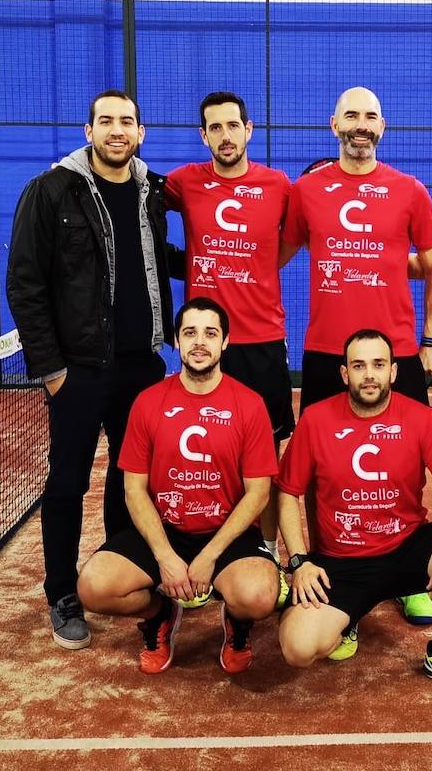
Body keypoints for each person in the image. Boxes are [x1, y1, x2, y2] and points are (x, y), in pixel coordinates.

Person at [6, 89, 181, 650]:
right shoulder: (51, 190)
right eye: (105, 121)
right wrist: (52, 370)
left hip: (141, 367)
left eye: (126, 121)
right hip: (77, 372)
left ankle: (115, 572)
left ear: (140, 132)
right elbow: (25, 284)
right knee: (66, 483)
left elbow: (156, 256)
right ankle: (62, 592)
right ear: (89, 131)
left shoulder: (152, 191)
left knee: (129, 481)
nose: (116, 130)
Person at [279, 86, 432, 627]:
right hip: (327, 352)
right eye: (351, 114)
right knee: (313, 472)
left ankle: (406, 574)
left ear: (383, 126)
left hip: (395, 353)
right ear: (333, 125)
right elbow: (269, 253)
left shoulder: (410, 190)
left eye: (370, 116)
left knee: (405, 463)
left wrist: (430, 339)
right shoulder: (308, 190)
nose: (361, 124)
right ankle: (325, 571)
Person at [275, 329, 432, 703]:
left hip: (406, 550)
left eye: (378, 365)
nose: (369, 374)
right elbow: (287, 494)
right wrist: (299, 560)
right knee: (297, 649)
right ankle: (347, 619)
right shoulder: (316, 420)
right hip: (342, 564)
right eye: (359, 365)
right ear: (344, 374)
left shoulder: (418, 418)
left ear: (393, 372)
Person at [76, 297, 280, 673]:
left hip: (226, 532)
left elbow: (259, 494)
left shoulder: (249, 405)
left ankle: (238, 621)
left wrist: (210, 555)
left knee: (259, 596)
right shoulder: (148, 402)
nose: (199, 342)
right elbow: (133, 490)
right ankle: (159, 615)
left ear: (225, 342)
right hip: (166, 530)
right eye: (190, 333)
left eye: (210, 333)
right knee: (93, 587)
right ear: (177, 340)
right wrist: (166, 556)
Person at [165, 92, 294, 569]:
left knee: (267, 452)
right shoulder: (183, 183)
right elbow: (130, 192)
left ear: (249, 130)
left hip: (262, 340)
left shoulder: (278, 185)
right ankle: (204, 539)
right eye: (214, 128)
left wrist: (259, 267)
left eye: (232, 126)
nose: (224, 136)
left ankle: (266, 548)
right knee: (208, 446)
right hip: (204, 341)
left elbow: (301, 233)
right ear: (204, 135)